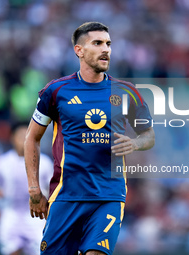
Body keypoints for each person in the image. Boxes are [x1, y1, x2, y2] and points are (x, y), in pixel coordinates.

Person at [24, 22, 155, 255]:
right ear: (79, 50)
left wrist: (134, 143)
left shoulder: (126, 92)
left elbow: (148, 135)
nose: (106, 49)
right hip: (66, 195)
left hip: (109, 194)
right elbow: (31, 138)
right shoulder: (56, 91)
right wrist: (34, 189)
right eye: (97, 43)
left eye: (108, 44)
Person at [0, 122, 53, 255]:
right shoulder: (2, 163)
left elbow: (53, 188)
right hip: (11, 215)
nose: (25, 139)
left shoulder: (45, 162)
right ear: (12, 138)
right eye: (21, 136)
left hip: (37, 219)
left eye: (28, 135)